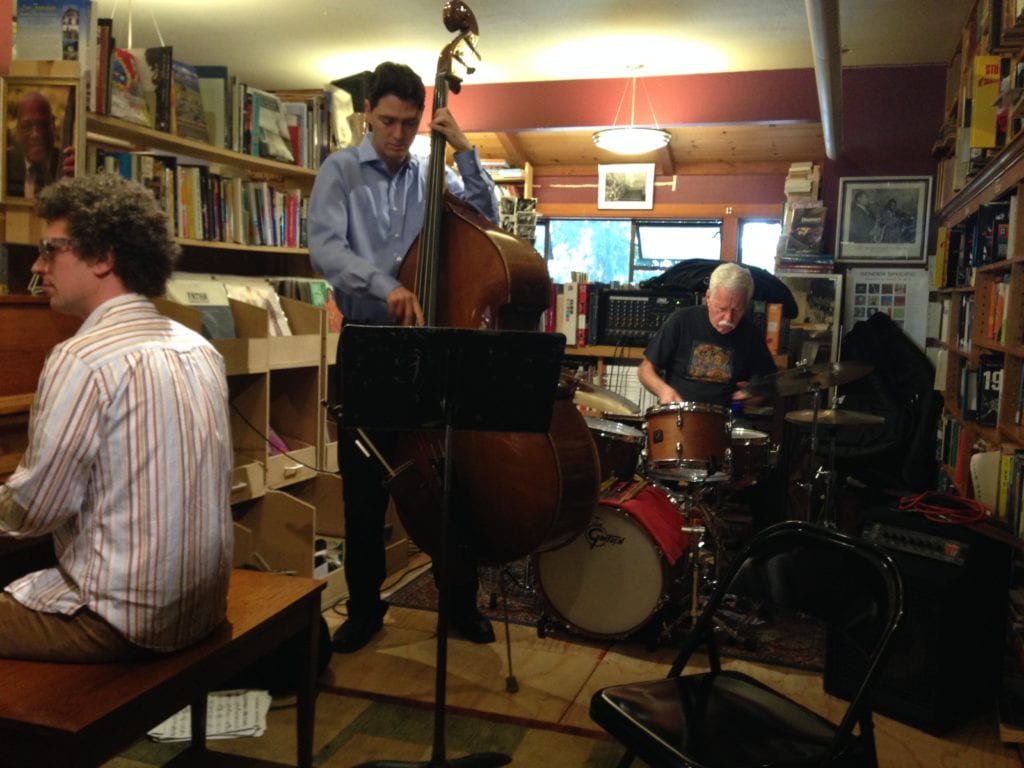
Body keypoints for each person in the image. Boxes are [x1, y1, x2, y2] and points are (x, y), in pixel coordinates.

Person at [0, 173, 234, 661]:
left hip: (123, 621)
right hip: (200, 606)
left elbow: (35, 510)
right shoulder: (199, 347)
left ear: (104, 257)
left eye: (51, 249)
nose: (38, 265)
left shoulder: (82, 358)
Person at [308, 61, 500, 653]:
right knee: (364, 487)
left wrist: (462, 148)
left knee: (449, 478)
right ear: (368, 111)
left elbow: (486, 220)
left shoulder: (429, 169)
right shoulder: (339, 171)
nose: (397, 134)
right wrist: (382, 284)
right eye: (388, 121)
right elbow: (325, 249)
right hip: (369, 343)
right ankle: (366, 609)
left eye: (409, 123)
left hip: (429, 344)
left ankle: (458, 605)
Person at [638, 262, 777, 410]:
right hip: (680, 413)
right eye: (721, 308)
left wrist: (755, 395)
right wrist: (664, 391)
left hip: (727, 419)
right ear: (708, 297)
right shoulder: (681, 321)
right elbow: (645, 370)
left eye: (737, 310)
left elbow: (769, 385)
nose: (728, 318)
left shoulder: (751, 334)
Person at [6, 91, 74, 199]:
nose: (35, 134)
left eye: (42, 125)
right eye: (27, 126)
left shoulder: (67, 163)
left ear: (53, 125)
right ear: (18, 129)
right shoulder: (5, 165)